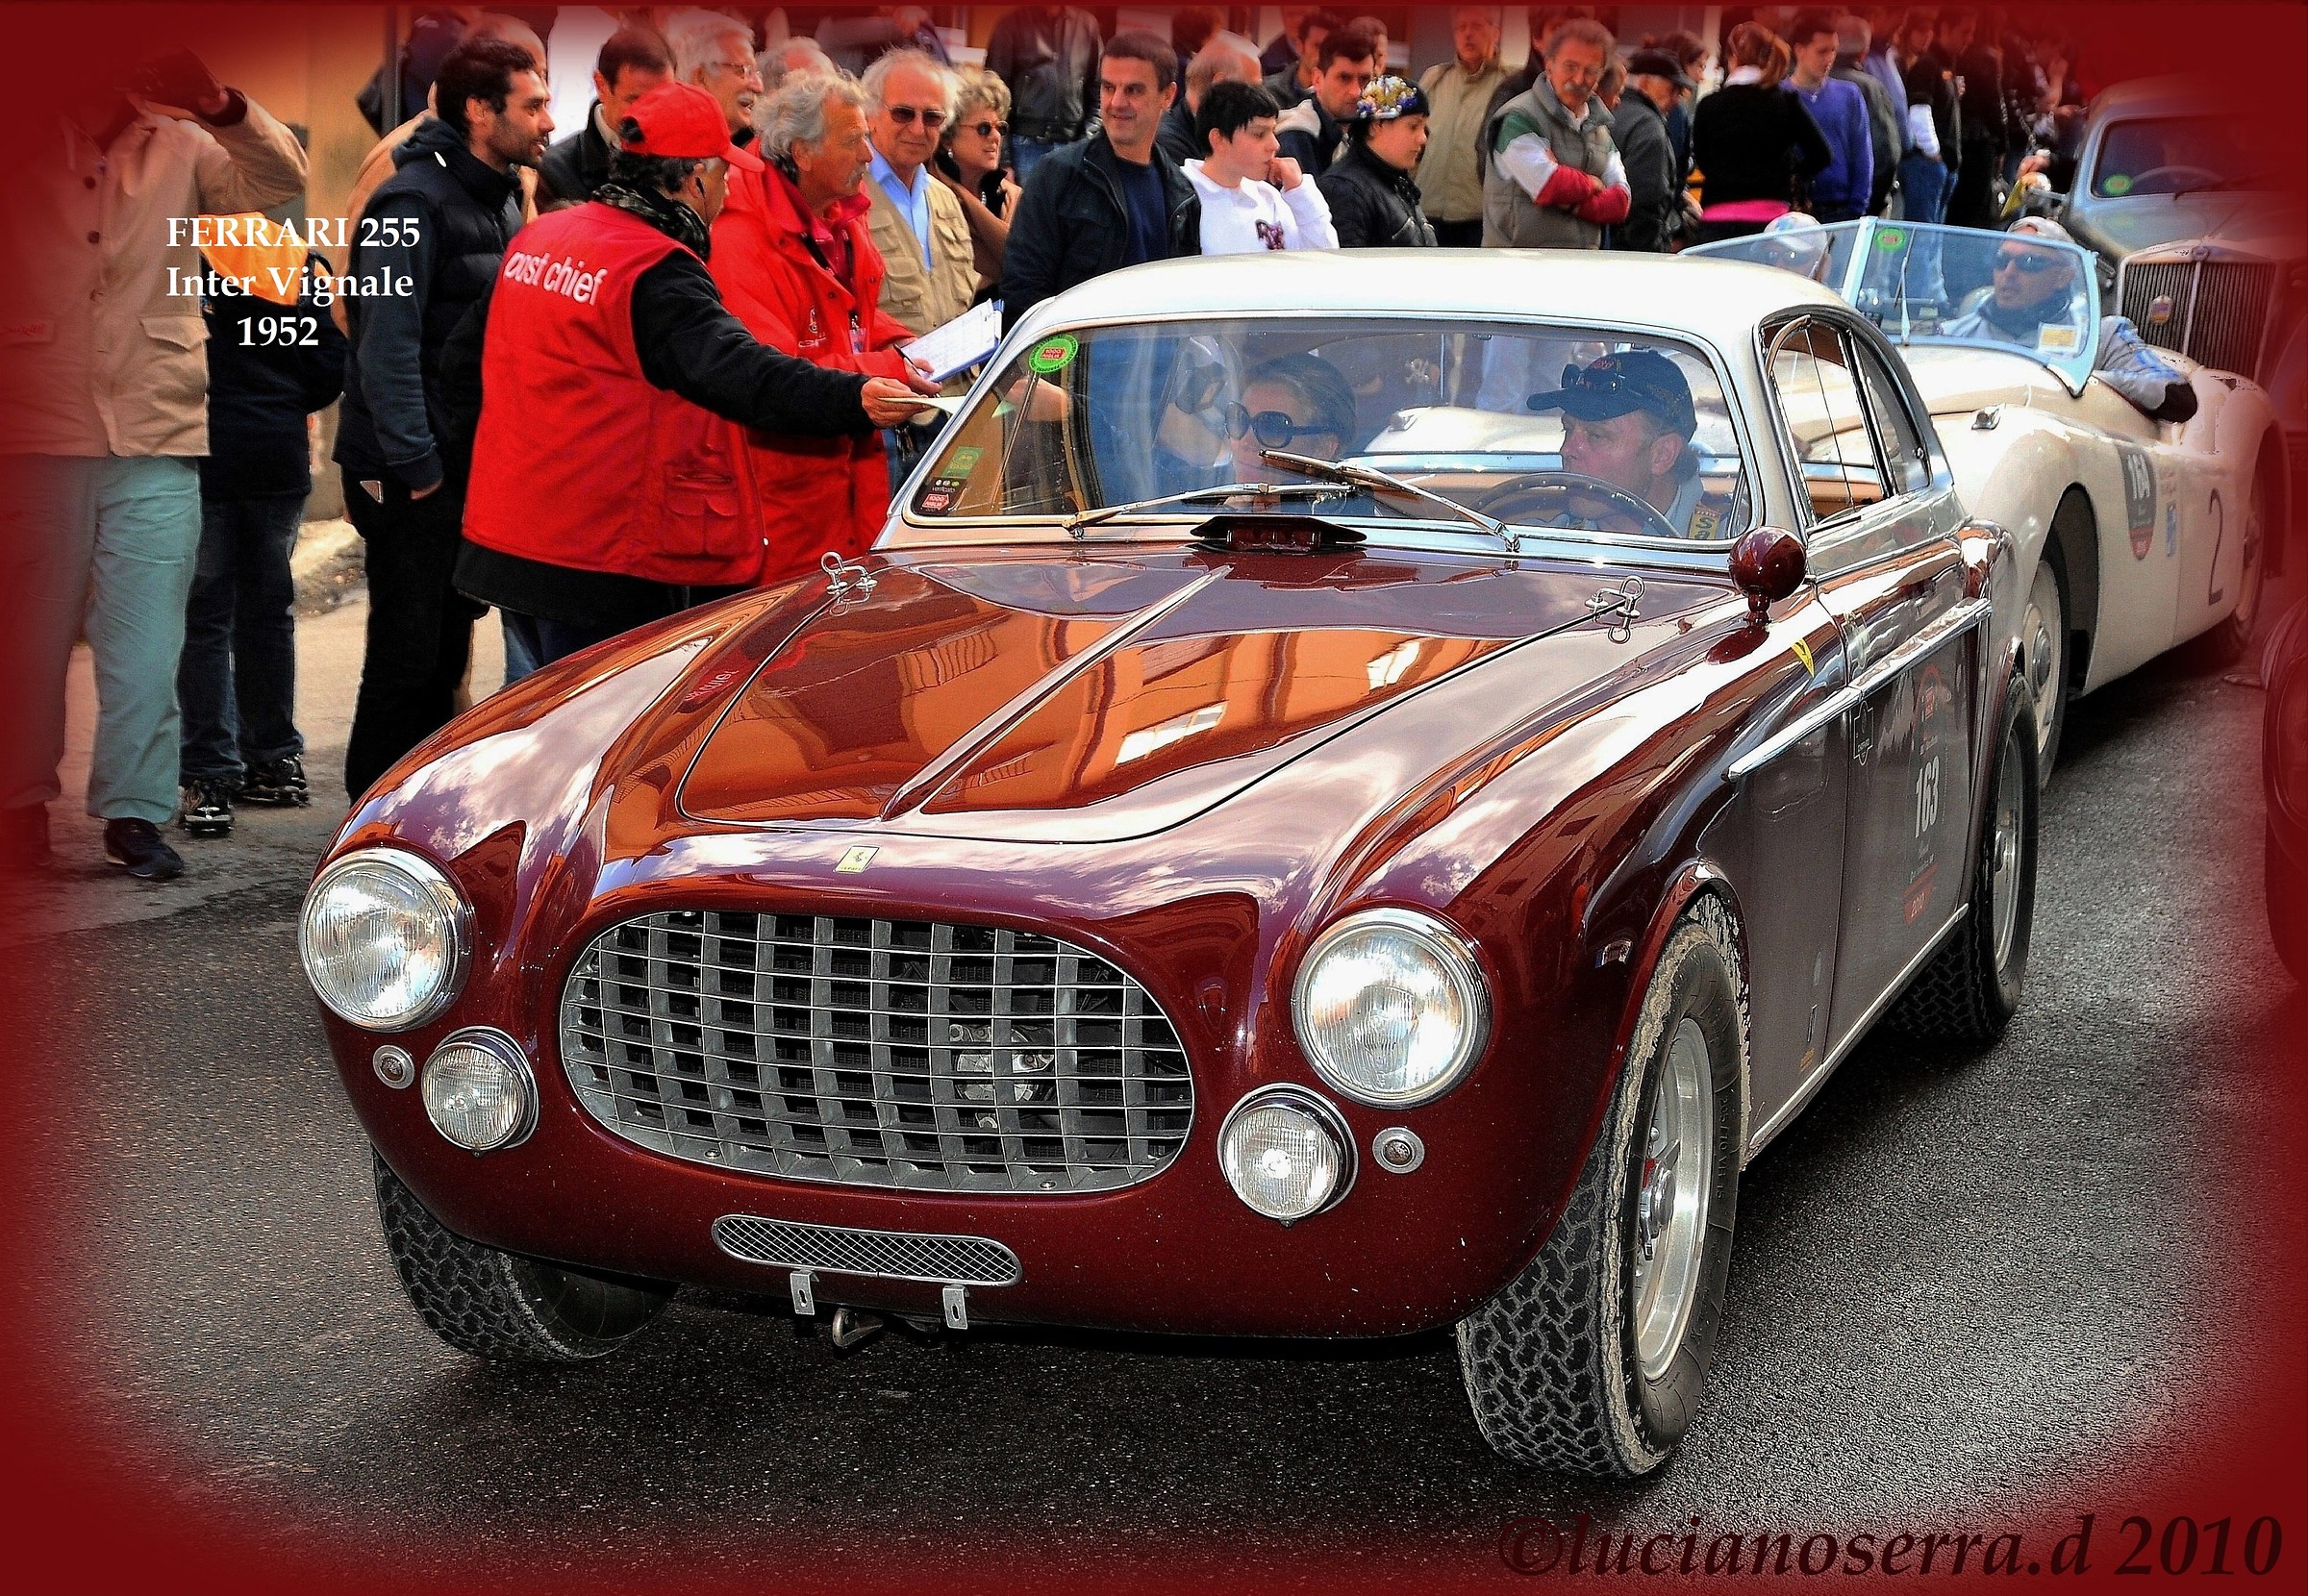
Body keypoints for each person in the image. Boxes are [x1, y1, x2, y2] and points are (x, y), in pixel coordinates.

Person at [452, 83, 931, 670]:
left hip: (510, 541)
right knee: (613, 747)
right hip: (604, 557)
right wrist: (856, 395)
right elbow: (746, 377)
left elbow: (459, 365)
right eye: (725, 174)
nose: (730, 189)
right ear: (694, 177)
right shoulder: (654, 269)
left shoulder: (545, 235)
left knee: (548, 734)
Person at [0, 49, 306, 879]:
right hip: (33, 425)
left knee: (147, 643)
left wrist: (215, 102)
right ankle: (18, 804)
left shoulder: (186, 142)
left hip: (157, 427)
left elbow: (278, 178)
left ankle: (134, 814)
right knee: (25, 639)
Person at [336, 37, 547, 802]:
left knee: (442, 651)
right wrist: (420, 468)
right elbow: (382, 346)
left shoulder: (496, 196)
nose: (548, 120)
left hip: (460, 463)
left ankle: (414, 822)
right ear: (479, 112)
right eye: (532, 104)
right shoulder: (410, 200)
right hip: (409, 470)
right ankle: (368, 822)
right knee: (406, 654)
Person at [711, 74, 925, 586]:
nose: (869, 157)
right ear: (803, 153)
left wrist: (899, 341)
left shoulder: (840, 215)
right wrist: (896, 366)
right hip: (784, 507)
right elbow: (778, 379)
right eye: (853, 141)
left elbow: (853, 318)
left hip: (850, 480)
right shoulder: (740, 238)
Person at [176, 221, 346, 837]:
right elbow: (330, 369)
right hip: (275, 458)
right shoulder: (293, 259)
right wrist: (281, 396)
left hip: (203, 456)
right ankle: (273, 763)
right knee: (268, 613)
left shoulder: (183, 261)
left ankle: (208, 775)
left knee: (206, 618)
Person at [998, 32, 1201, 332]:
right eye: (1109, 87)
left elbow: (1186, 299)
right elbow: (1024, 292)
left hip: (1157, 370)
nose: (1117, 102)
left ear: (1168, 96)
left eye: (1134, 90)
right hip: (1074, 368)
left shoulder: (1182, 194)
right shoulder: (1057, 175)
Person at [1940, 218, 2198, 423]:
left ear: (2063, 276)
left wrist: (2085, 381)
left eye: (2029, 263)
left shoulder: (2101, 337)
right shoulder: (1953, 336)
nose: (2009, 273)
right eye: (2002, 260)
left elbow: (2178, 397)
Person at [862, 50, 976, 488]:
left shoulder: (946, 200)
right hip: (887, 423)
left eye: (932, 117)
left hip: (954, 416)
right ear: (872, 115)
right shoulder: (847, 193)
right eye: (903, 113)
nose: (918, 128)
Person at [1528, 350, 1718, 536]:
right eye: (1567, 429)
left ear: (1662, 455)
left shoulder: (1731, 552)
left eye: (1596, 435)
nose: (1566, 450)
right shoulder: (1539, 544)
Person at [1481, 17, 1628, 249]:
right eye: (1570, 67)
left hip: (1579, 268)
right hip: (1518, 269)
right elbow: (1548, 185)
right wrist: (1591, 183)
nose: (1579, 79)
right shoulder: (1518, 118)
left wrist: (1571, 200)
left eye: (1590, 70)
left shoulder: (1600, 130)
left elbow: (1621, 203)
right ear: (1549, 65)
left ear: (1600, 75)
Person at [1689, 21, 1830, 241]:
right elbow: (1821, 154)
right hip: (1770, 221)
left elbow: (1704, 161)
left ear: (1731, 57)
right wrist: (1793, 174)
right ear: (1767, 57)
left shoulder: (1709, 105)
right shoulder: (1786, 102)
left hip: (1717, 218)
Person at [1187, 82, 1337, 254]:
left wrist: (1300, 193)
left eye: (1273, 131)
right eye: (1259, 134)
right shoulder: (1183, 197)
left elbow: (1324, 259)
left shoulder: (1269, 197)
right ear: (1218, 139)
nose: (1274, 145)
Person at [539, 27, 676, 210]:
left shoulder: (685, 160)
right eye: (635, 100)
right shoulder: (554, 172)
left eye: (661, 100)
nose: (650, 114)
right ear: (601, 85)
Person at [1417, 6, 1506, 246]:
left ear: (1495, 33)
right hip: (1429, 209)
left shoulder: (1508, 83)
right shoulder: (1435, 78)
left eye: (1476, 26)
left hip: (1479, 217)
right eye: (1460, 27)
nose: (1467, 34)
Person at [984, 4, 1102, 182]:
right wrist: (1004, 159)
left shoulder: (1087, 25)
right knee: (1023, 209)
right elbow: (992, 96)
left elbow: (1099, 90)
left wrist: (1086, 142)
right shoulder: (1010, 25)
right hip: (1023, 147)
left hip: (1073, 147)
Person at [1319, 76, 1437, 250]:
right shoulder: (1345, 190)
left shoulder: (1397, 183)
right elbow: (1344, 269)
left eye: (1424, 128)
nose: (1422, 138)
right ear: (1377, 125)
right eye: (1413, 126)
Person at [934, 69, 1020, 299]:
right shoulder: (935, 198)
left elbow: (1021, 263)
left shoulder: (1011, 196)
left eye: (1000, 127)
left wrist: (963, 193)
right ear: (947, 138)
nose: (995, 137)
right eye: (983, 128)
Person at [1782, 10, 1872, 225]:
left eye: (1833, 50)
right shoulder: (1780, 96)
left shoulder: (1849, 95)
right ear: (1800, 51)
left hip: (1840, 209)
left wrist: (1856, 208)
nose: (1829, 59)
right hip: (1793, 209)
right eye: (1822, 51)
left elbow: (1863, 154)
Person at [1227, 355, 1360, 483]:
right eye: (1240, 420)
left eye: (1271, 428)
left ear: (1322, 449)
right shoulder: (1209, 496)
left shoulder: (1365, 504)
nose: (1245, 442)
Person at [1612, 48, 1694, 253]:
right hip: (1634, 255)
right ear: (1645, 83)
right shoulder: (1648, 126)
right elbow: (1645, 201)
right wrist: (1654, 252)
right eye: (1673, 88)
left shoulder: (1611, 110)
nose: (1677, 99)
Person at [1275, 20, 1380, 180]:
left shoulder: (1372, 129)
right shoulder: (1297, 135)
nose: (1356, 92)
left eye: (1365, 79)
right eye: (1344, 78)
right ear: (1317, 79)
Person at [1159, 32, 1263, 167]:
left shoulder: (1219, 132)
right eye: (1252, 88)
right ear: (1220, 84)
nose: (1258, 98)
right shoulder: (1167, 145)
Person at [1831, 15, 1900, 217]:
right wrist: (1873, 202)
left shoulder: (1807, 84)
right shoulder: (1870, 88)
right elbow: (1887, 153)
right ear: (1863, 53)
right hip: (1861, 207)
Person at [669, 10, 765, 144]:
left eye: (755, 71)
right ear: (701, 78)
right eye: (743, 70)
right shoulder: (661, 156)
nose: (758, 86)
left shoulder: (756, 147)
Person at [1262, 10, 1338, 111]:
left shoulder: (1339, 98)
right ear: (1300, 46)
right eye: (1317, 46)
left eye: (1329, 48)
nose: (1323, 54)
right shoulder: (1268, 91)